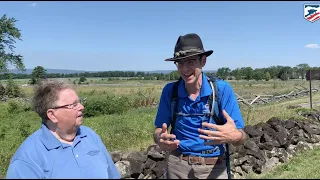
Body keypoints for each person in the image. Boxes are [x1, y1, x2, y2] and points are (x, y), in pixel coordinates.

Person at [153, 33, 247, 179]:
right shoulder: (170, 92)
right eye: (180, 63)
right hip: (177, 166)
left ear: (203, 61)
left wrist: (235, 136)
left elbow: (241, 136)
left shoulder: (221, 90)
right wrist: (160, 138)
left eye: (190, 62)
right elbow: (159, 130)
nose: (184, 69)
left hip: (213, 167)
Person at [6, 80, 120, 179]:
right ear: (52, 115)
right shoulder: (27, 159)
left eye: (79, 102)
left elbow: (113, 176)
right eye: (73, 105)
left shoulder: (89, 136)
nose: (81, 107)